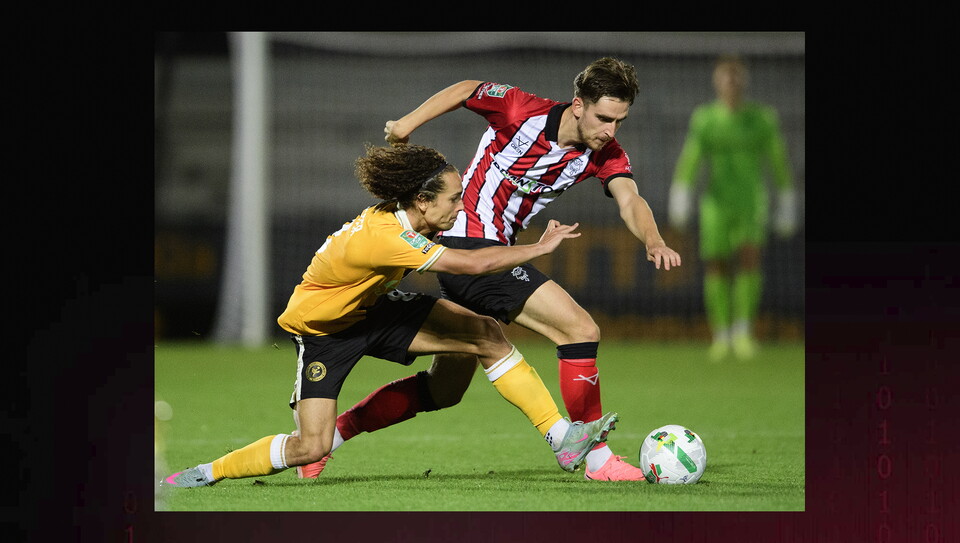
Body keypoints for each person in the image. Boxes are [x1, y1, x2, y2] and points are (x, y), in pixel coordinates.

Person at [297, 57, 681, 482]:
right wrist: (407, 124)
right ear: (578, 105)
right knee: (580, 329)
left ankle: (327, 440)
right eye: (604, 118)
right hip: (466, 248)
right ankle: (596, 459)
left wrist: (654, 239)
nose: (610, 130)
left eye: (619, 121)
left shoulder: (604, 153)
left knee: (445, 390)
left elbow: (630, 199)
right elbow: (466, 88)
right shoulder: (521, 111)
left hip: (487, 256)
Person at [162, 143, 619, 488]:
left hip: (373, 310)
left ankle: (562, 438)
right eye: (455, 199)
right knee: (309, 446)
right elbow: (473, 264)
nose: (461, 208)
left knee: (483, 336)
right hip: (324, 333)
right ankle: (205, 473)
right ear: (423, 200)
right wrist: (539, 248)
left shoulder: (406, 219)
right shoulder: (386, 236)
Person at [668, 54, 798, 362]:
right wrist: (682, 192)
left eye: (736, 77)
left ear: (743, 81)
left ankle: (743, 332)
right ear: (717, 82)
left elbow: (777, 160)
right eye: (725, 77)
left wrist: (787, 199)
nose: (731, 83)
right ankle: (721, 335)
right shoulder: (706, 118)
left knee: (749, 260)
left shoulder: (762, 118)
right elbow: (692, 158)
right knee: (717, 264)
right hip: (716, 203)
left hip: (751, 201)